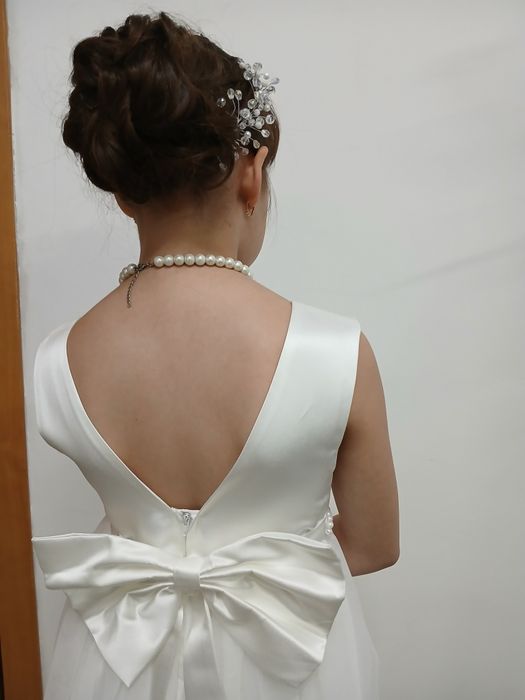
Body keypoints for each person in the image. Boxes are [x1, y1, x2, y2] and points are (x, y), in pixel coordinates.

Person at [32, 10, 399, 700]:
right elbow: (374, 544)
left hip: (118, 659)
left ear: (122, 191)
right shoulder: (336, 351)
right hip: (289, 659)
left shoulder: (59, 359)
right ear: (250, 175)